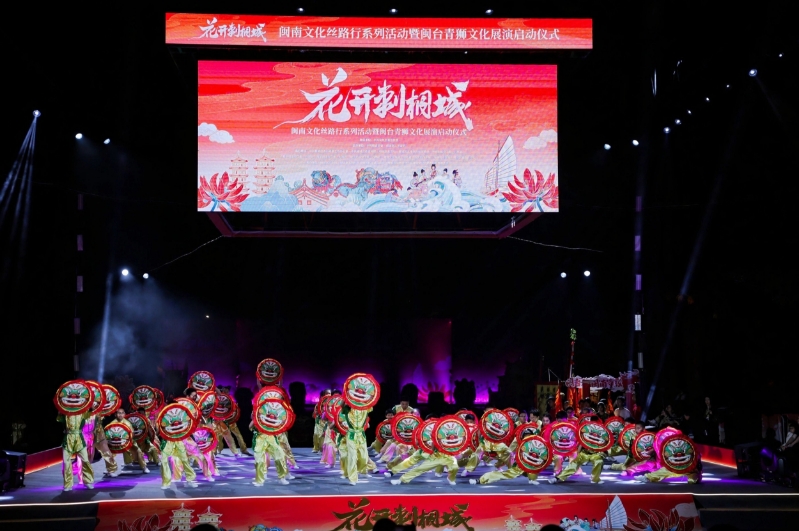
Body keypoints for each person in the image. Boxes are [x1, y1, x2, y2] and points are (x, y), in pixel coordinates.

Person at [116, 408, 150, 474]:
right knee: (124, 450)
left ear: (124, 414)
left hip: (133, 439)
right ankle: (127, 463)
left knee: (139, 452)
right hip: (125, 440)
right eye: (119, 413)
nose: (120, 415)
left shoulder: (131, 419)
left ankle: (144, 467)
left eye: (122, 413)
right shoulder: (115, 422)